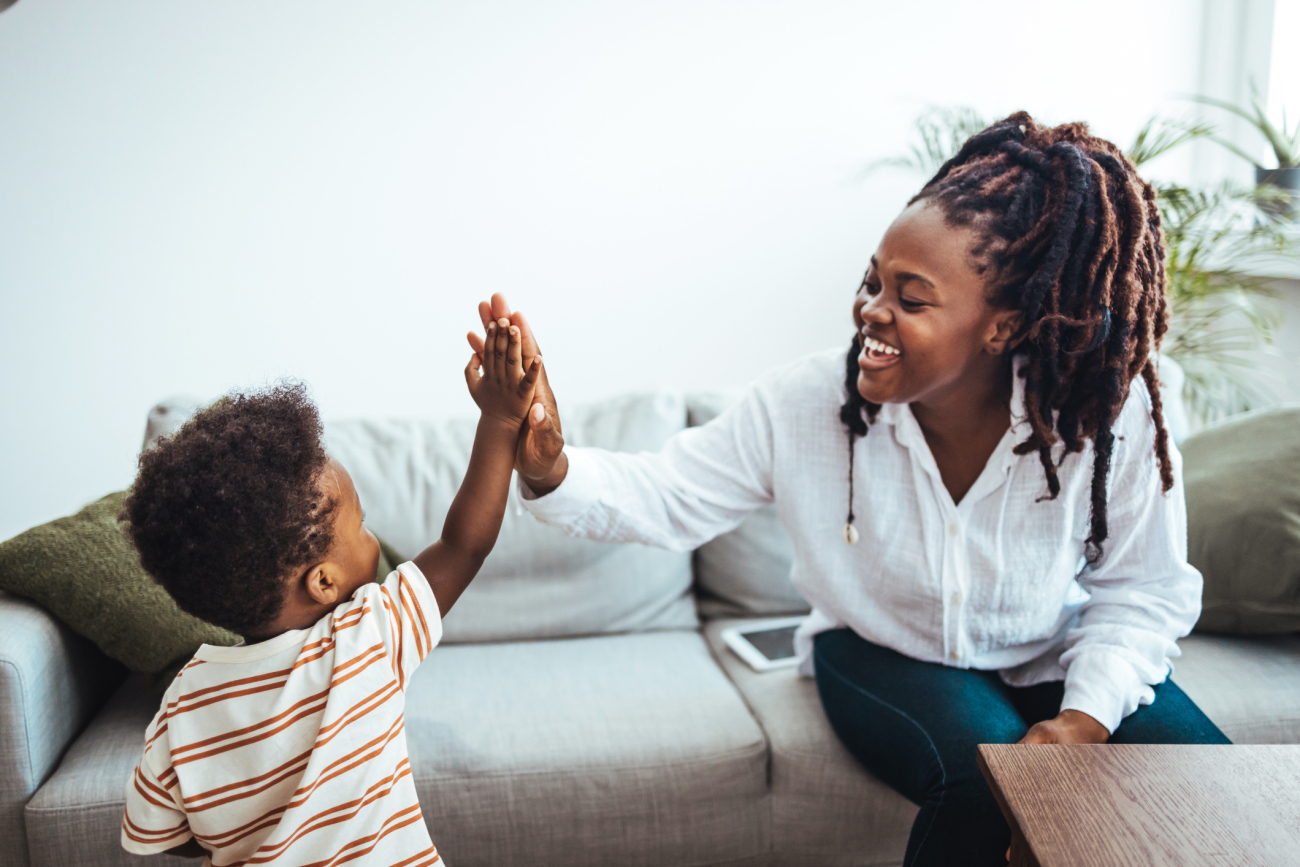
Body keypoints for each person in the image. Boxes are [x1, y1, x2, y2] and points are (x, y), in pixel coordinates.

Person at [471, 113, 1231, 867]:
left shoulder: (1104, 411)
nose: (872, 309)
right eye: (873, 281)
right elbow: (665, 493)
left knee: (1205, 787)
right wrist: (546, 460)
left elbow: (1144, 589)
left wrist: (1086, 716)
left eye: (911, 295)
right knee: (982, 782)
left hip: (1051, 649)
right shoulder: (804, 402)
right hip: (878, 648)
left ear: (1000, 327)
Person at [119, 320, 542, 866]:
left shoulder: (183, 703)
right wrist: (502, 418)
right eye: (362, 527)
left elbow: (165, 836)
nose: (373, 540)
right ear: (322, 582)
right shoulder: (365, 637)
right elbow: (465, 545)